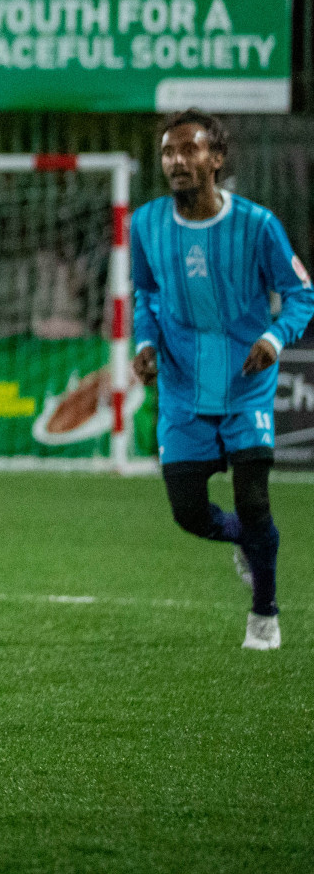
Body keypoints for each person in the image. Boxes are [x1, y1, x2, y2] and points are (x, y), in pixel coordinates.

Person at [133, 110, 314, 651]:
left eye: (190, 150)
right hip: (184, 384)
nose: (177, 162)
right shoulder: (145, 223)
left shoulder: (258, 226)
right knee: (189, 514)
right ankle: (247, 542)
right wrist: (144, 344)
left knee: (254, 500)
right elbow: (146, 294)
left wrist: (274, 339)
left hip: (245, 381)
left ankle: (264, 614)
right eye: (169, 152)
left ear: (216, 158)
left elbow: (302, 294)